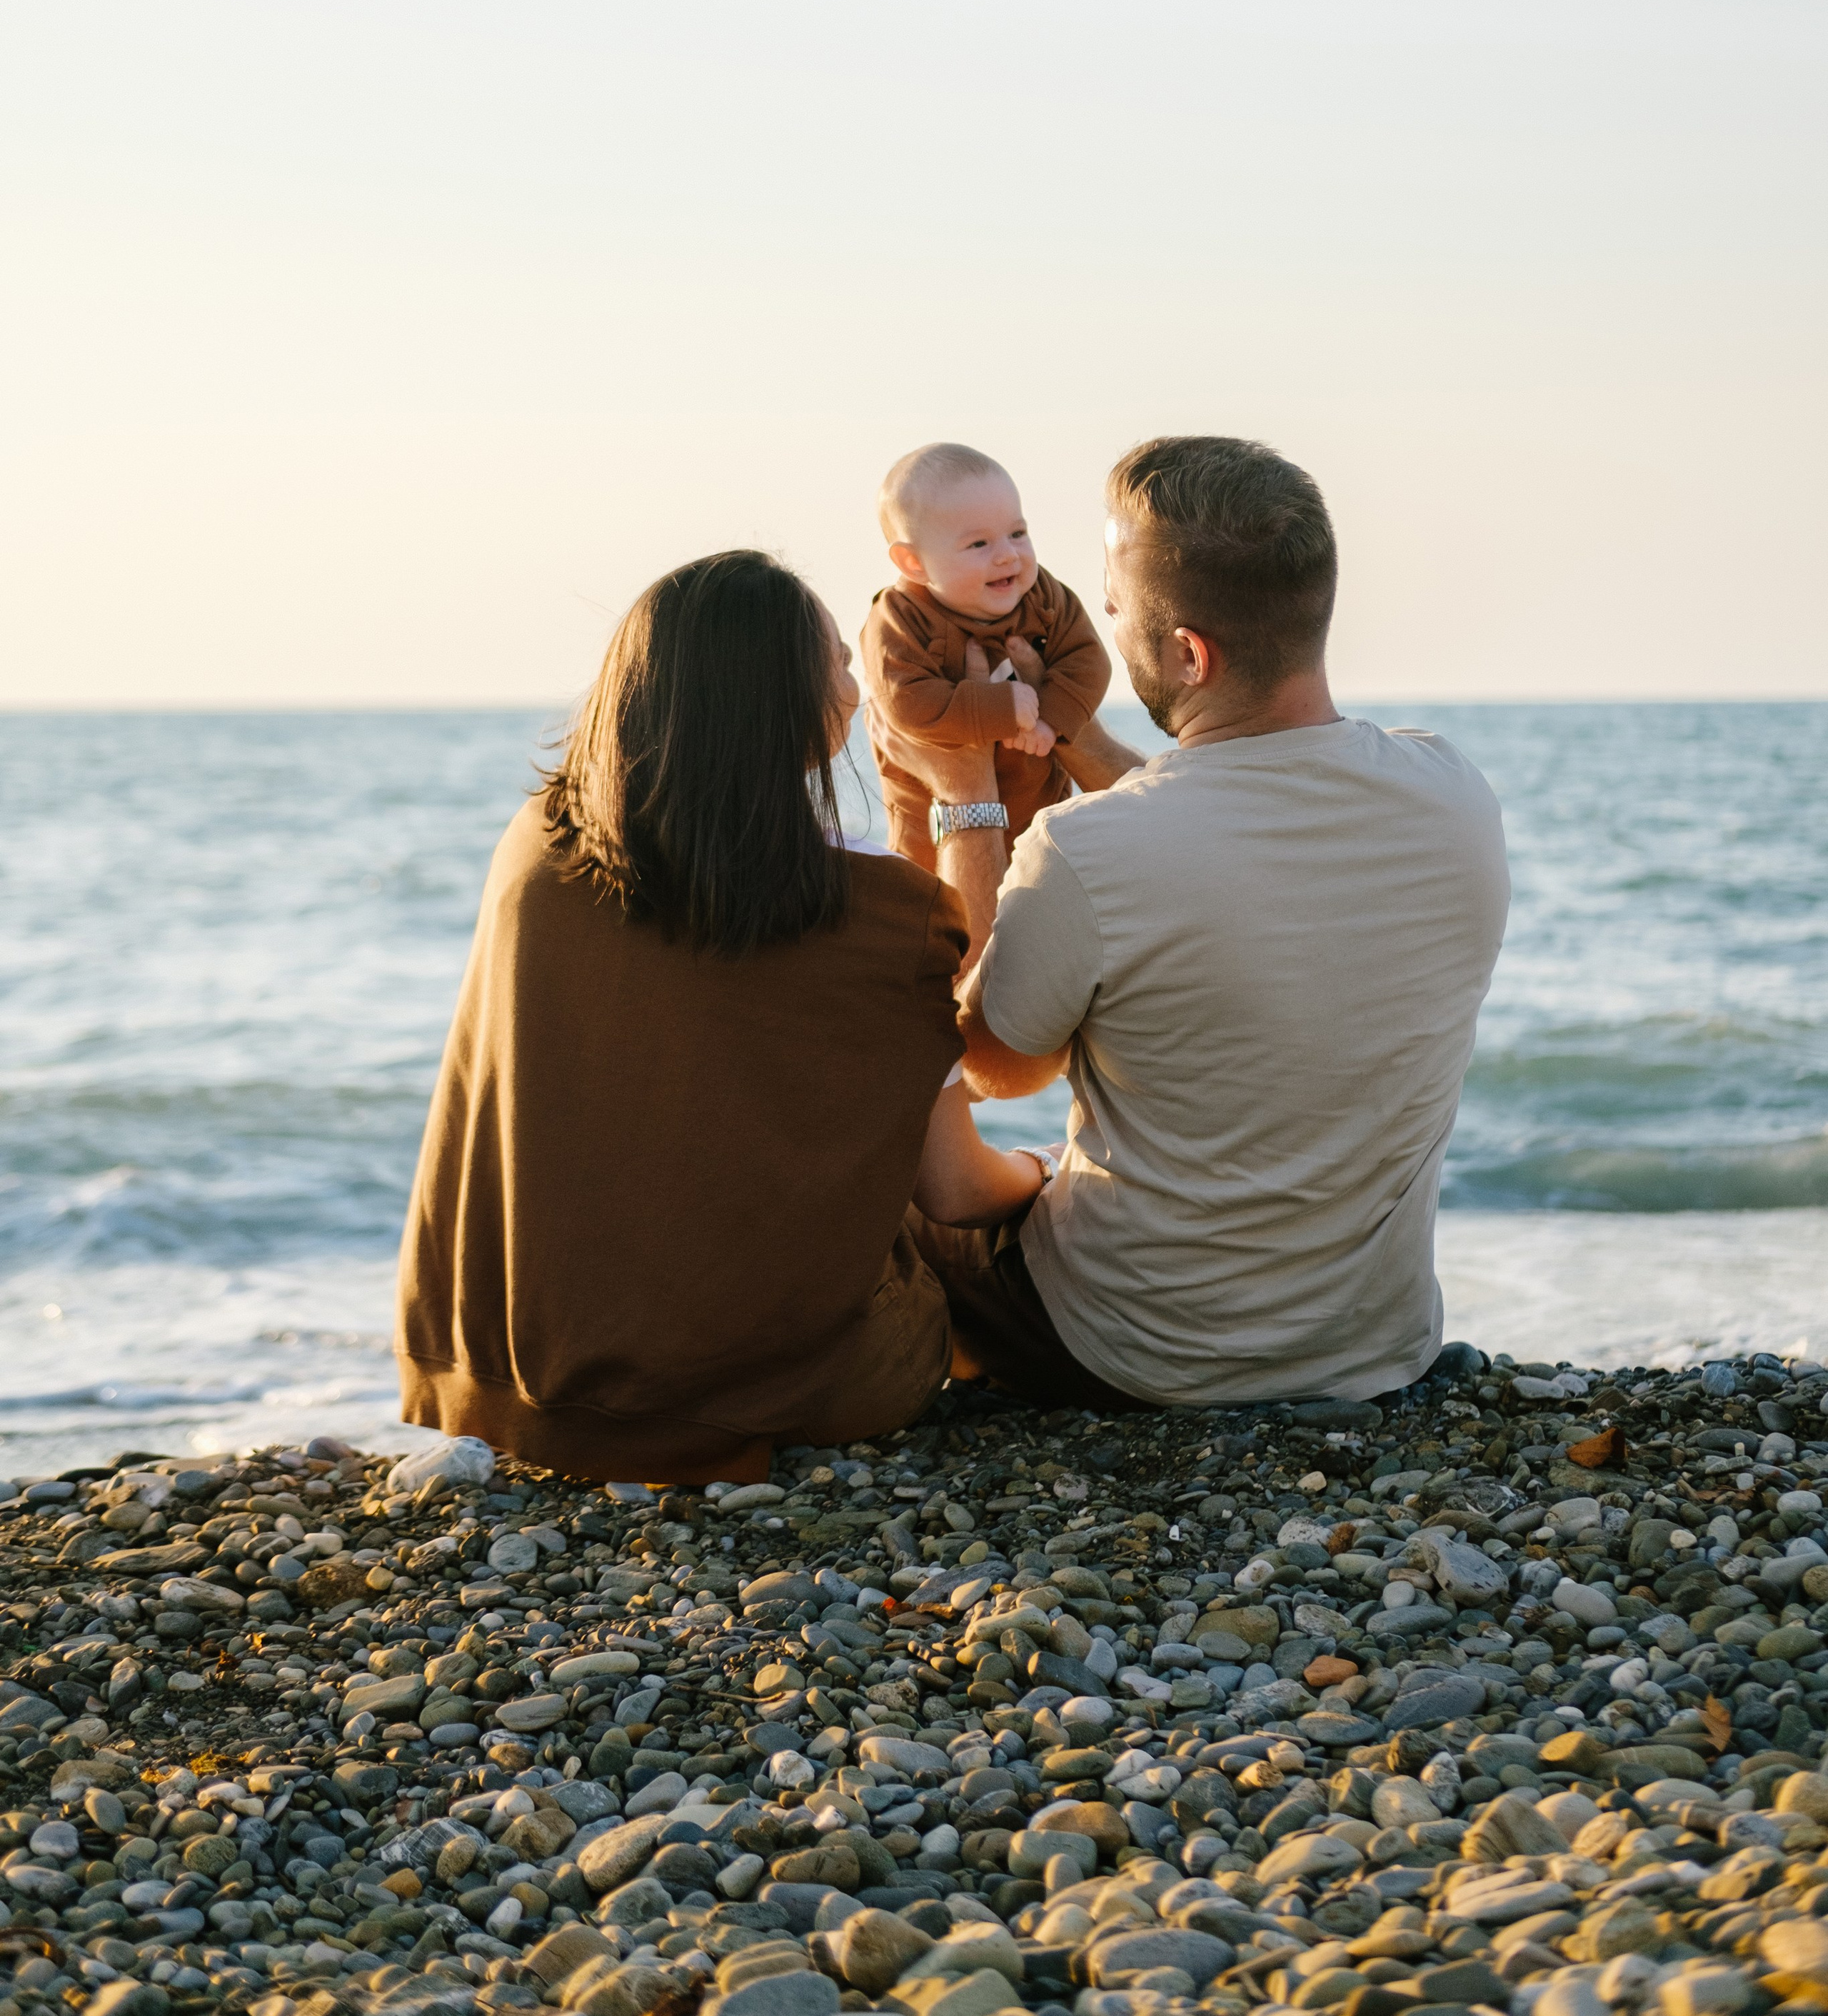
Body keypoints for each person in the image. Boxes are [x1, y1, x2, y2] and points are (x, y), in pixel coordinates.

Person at [878, 434, 1511, 1412]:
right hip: (1375, 1346)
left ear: (1188, 653)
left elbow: (994, 1071)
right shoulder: (1456, 794)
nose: (1106, 623)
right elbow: (1224, 824)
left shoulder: (1090, 853)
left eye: (1116, 606)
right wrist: (1076, 737)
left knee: (901, 1177)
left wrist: (964, 796)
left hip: (1132, 1353)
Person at [394, 550, 1047, 1484]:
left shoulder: (537, 846)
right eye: (839, 661)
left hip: (512, 1386)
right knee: (966, 1242)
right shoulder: (873, 911)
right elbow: (958, 1189)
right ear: (790, 705)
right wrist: (966, 798)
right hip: (781, 1391)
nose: (859, 685)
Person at [860, 441, 1110, 870]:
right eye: (978, 544)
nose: (1007, 555)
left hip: (1040, 819)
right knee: (947, 913)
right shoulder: (900, 619)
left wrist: (1050, 718)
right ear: (914, 562)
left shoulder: (1041, 595)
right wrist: (1000, 708)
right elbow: (906, 702)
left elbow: (1087, 659)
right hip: (935, 837)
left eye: (1018, 533)